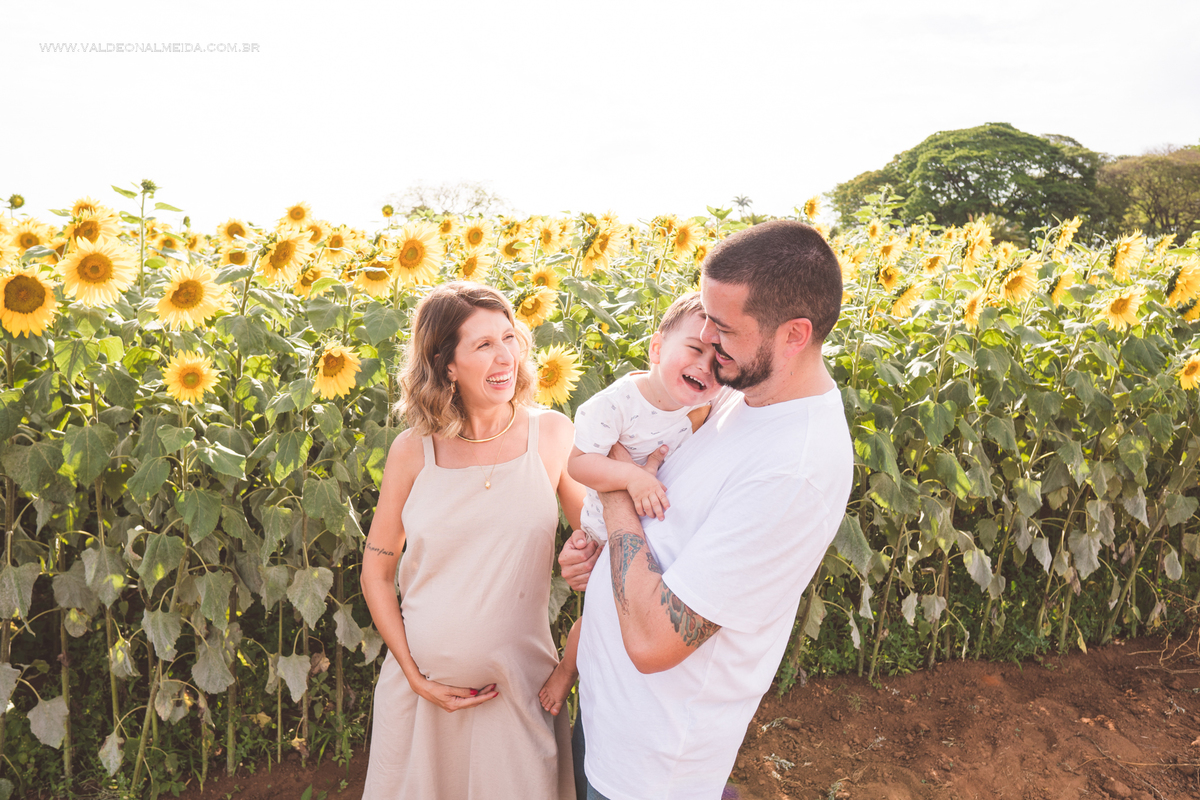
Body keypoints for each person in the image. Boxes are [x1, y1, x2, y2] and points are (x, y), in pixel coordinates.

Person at [558, 220, 854, 799]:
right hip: (605, 719)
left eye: (724, 328)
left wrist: (617, 487)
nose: (708, 341)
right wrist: (597, 566)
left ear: (794, 334)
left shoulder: (794, 469)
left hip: (650, 768)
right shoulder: (739, 396)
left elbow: (654, 643)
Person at [361, 282, 583, 799]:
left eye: (508, 337)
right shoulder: (413, 451)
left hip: (521, 693)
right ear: (446, 365)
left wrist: (569, 667)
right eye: (483, 345)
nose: (505, 355)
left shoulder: (551, 436)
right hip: (419, 700)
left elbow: (601, 559)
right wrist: (415, 676)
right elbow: (376, 571)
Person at [538, 292, 724, 717]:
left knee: (605, 621)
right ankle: (566, 671)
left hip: (642, 535)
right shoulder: (618, 403)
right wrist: (633, 476)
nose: (703, 366)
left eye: (717, 363)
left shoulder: (695, 411)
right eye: (694, 349)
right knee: (594, 618)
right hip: (605, 530)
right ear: (656, 348)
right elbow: (581, 464)